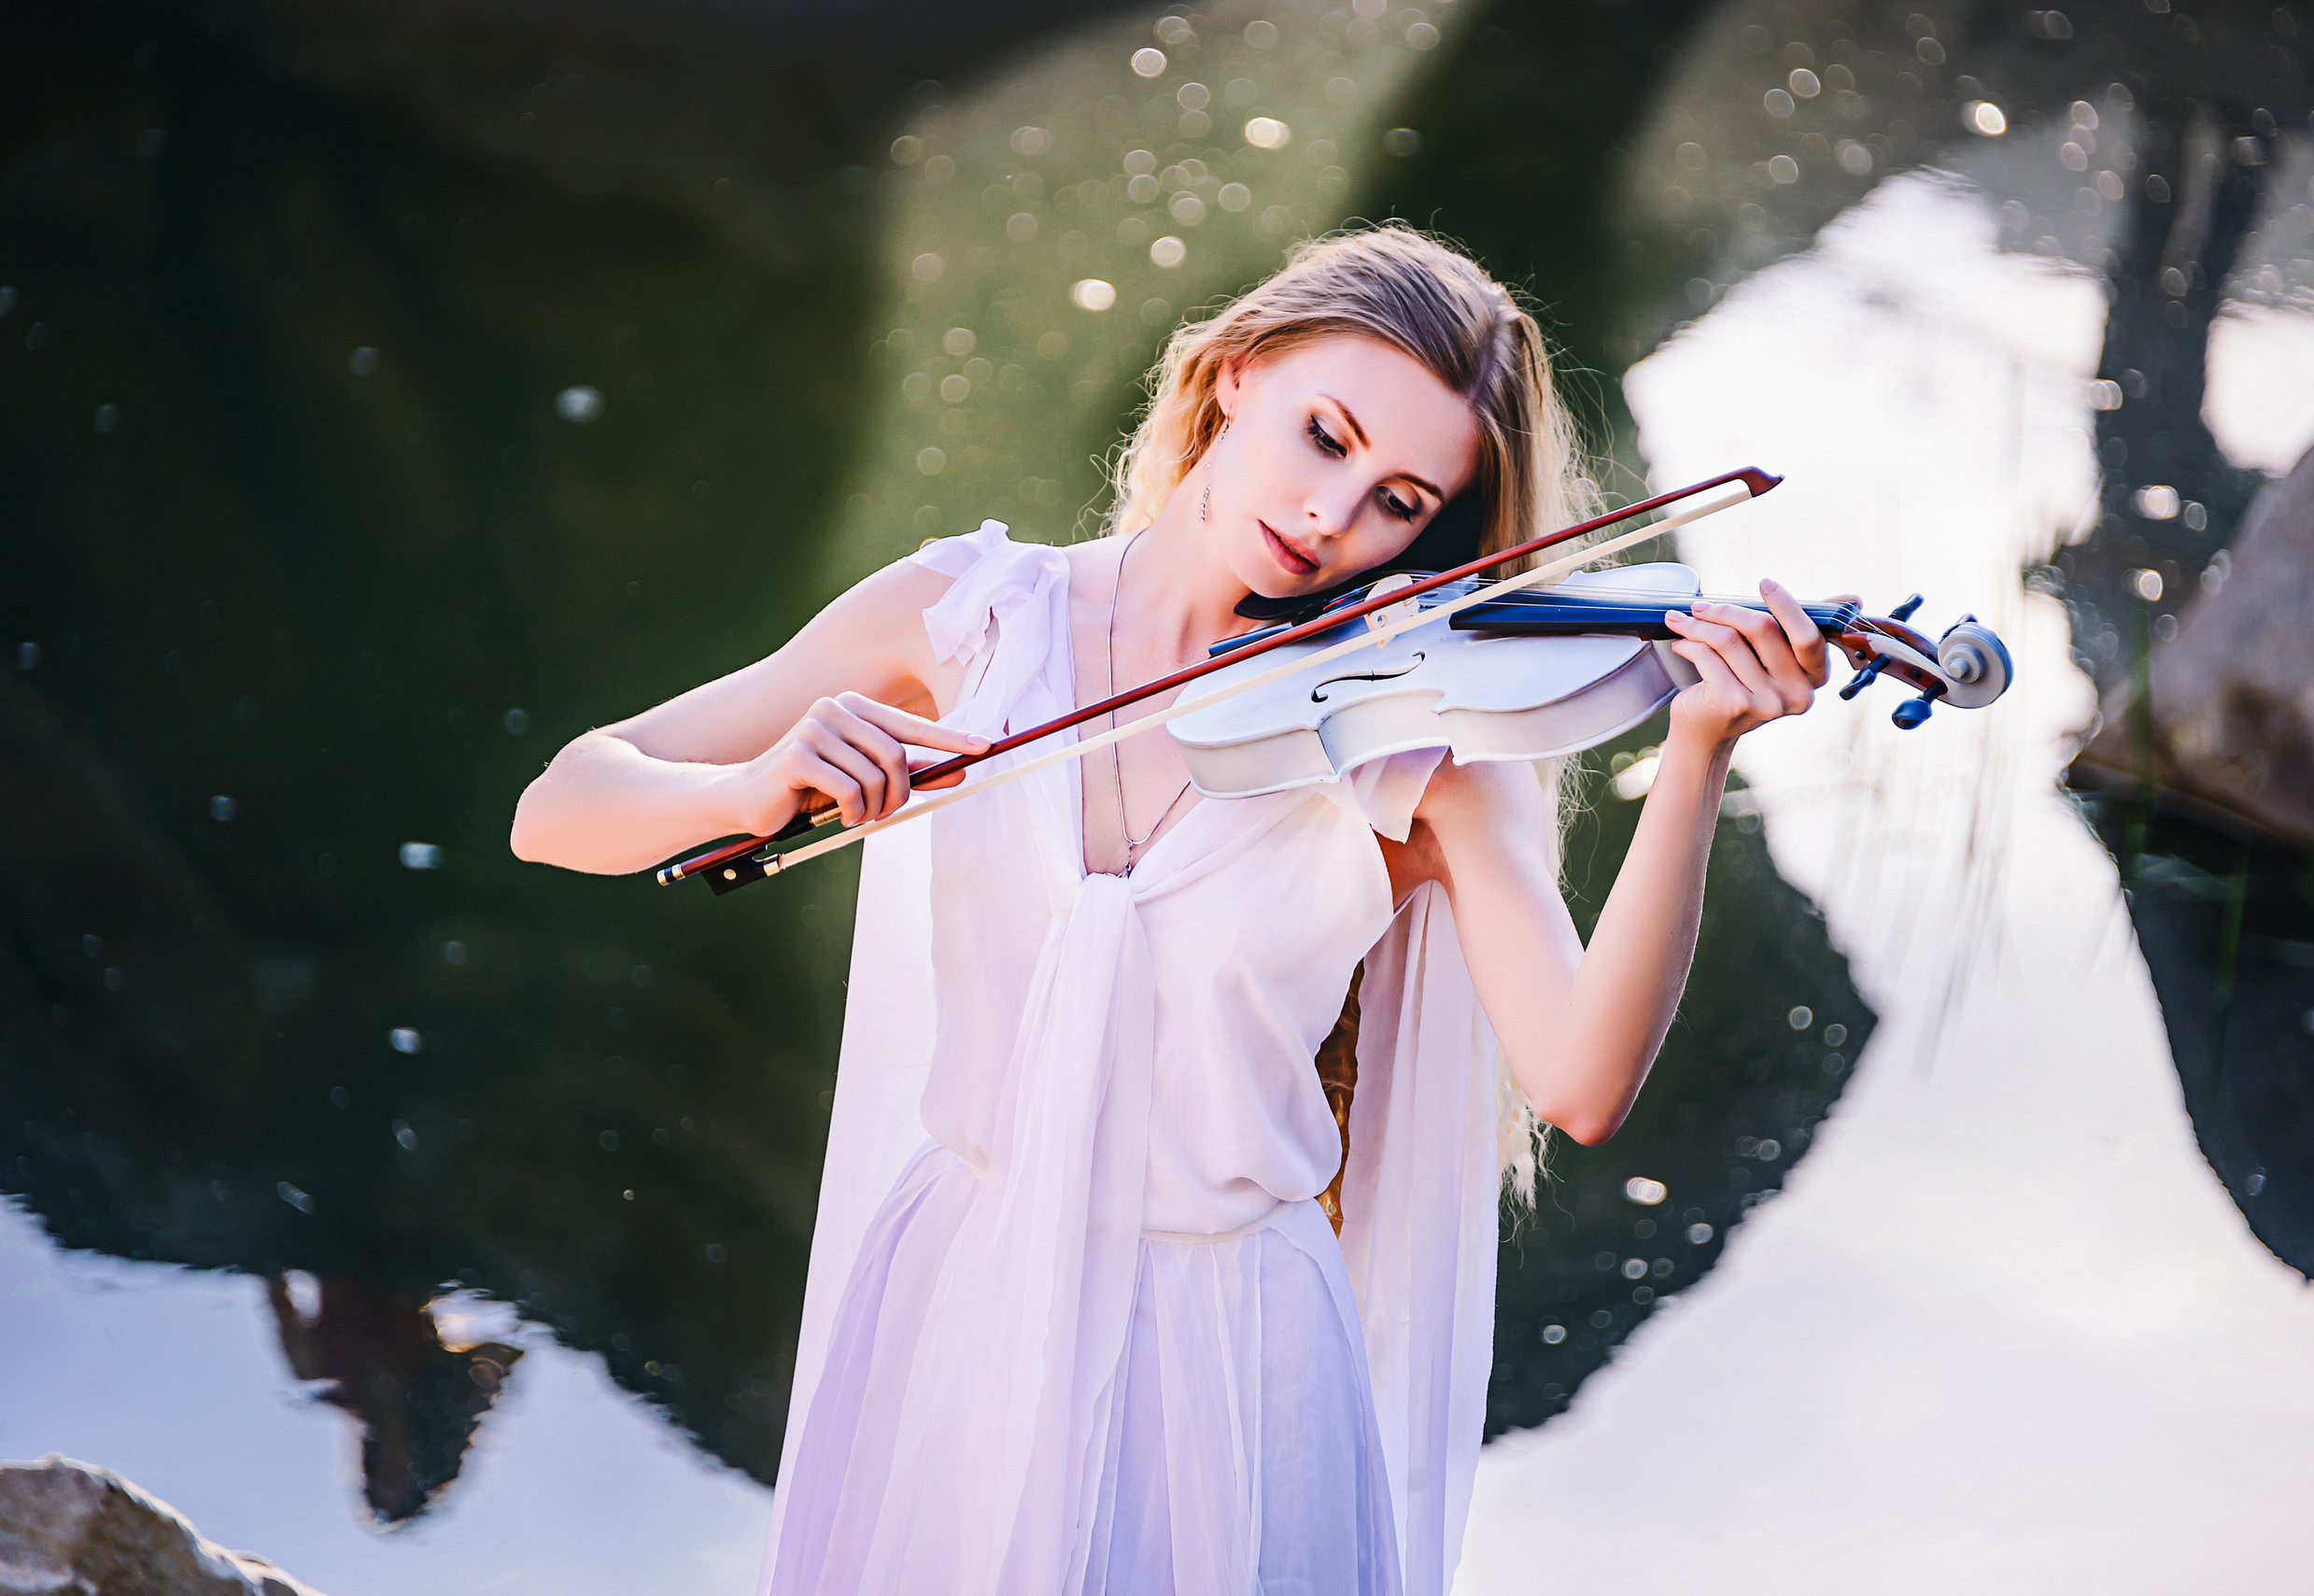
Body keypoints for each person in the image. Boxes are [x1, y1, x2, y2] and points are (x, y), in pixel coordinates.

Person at [511, 224, 1831, 1596]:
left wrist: (1696, 756)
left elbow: (1582, 1076)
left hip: (1227, 1359)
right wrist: (750, 784)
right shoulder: (966, 616)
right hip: (961, 1300)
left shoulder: (1411, 739)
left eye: (1400, 502)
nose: (1335, 517)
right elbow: (559, 806)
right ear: (1235, 377)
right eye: (1324, 435)